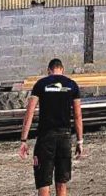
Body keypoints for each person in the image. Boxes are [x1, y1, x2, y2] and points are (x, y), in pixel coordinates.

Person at [19, 58, 84, 196]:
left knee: (43, 182)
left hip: (45, 138)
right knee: (61, 183)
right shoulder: (72, 85)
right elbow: (78, 116)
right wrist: (80, 141)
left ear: (48, 71)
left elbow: (29, 113)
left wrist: (23, 140)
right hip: (65, 137)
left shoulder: (40, 84)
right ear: (62, 70)